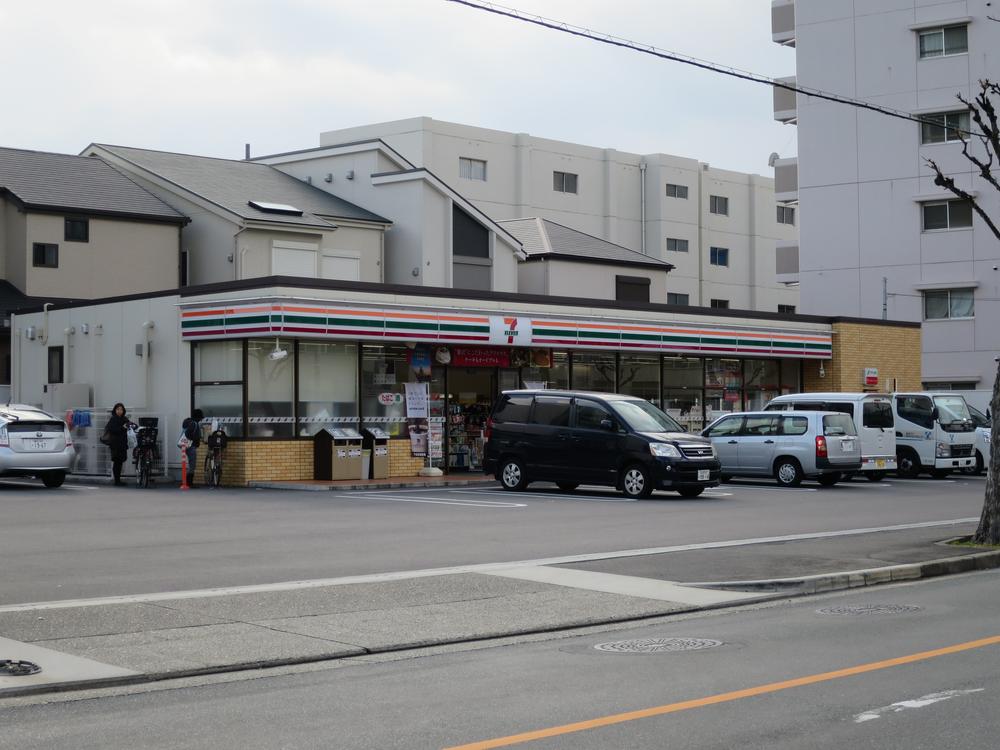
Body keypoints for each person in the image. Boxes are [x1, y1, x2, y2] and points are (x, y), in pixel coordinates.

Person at [104, 403, 130, 486]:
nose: (119, 411)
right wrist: (122, 428)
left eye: (121, 409)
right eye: (118, 409)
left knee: (120, 461)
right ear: (115, 410)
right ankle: (117, 481)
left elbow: (130, 426)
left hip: (123, 443)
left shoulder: (125, 419)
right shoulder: (113, 419)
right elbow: (112, 429)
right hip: (115, 444)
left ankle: (118, 480)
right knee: (117, 462)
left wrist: (131, 426)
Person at [181, 408, 204, 486]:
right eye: (200, 418)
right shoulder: (194, 424)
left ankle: (186, 482)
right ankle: (189, 483)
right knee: (192, 464)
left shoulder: (187, 422)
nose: (201, 419)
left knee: (190, 463)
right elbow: (189, 434)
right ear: (198, 417)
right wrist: (195, 439)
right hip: (191, 445)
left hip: (184, 445)